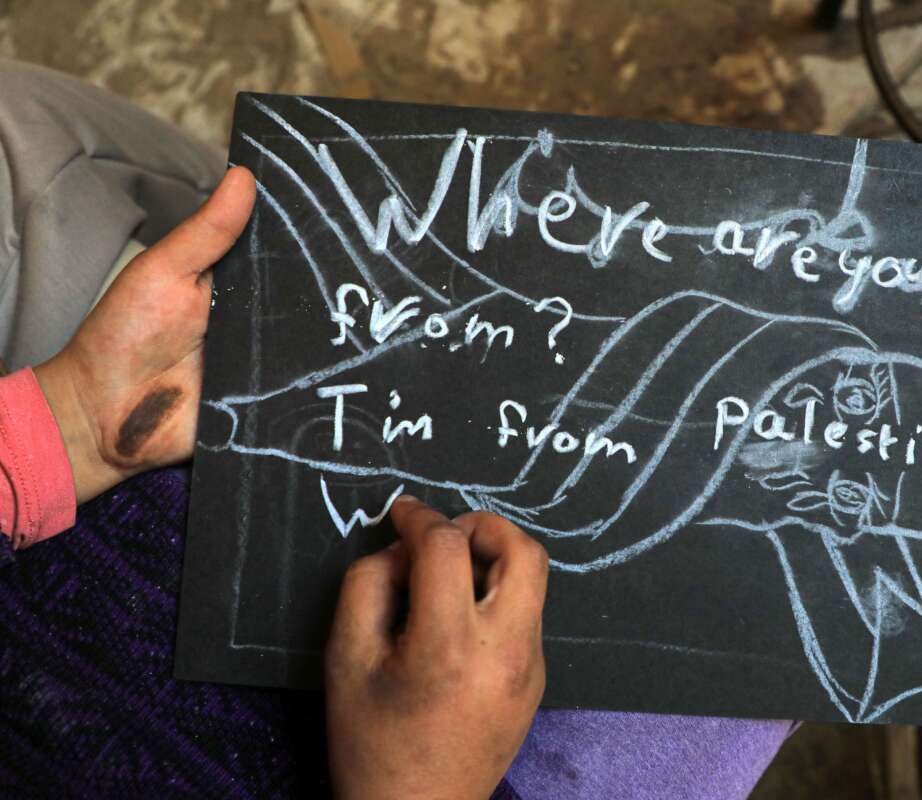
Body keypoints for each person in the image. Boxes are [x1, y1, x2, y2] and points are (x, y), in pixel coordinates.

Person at [0, 59, 793, 798]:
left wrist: (68, 428)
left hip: (104, 503)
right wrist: (416, 783)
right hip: (390, 747)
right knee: (758, 650)